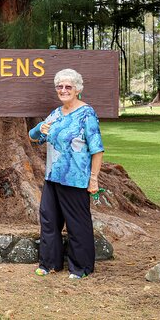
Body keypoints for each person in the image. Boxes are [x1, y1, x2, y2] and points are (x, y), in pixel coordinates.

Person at [29, 68, 104, 279]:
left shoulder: (86, 114)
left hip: (76, 179)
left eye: (68, 86)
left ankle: (81, 268)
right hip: (53, 176)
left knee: (77, 224)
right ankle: (49, 263)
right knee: (49, 221)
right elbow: (33, 136)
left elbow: (97, 150)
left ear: (78, 89)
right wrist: (40, 128)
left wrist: (94, 179)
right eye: (60, 86)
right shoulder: (55, 113)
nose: (63, 90)